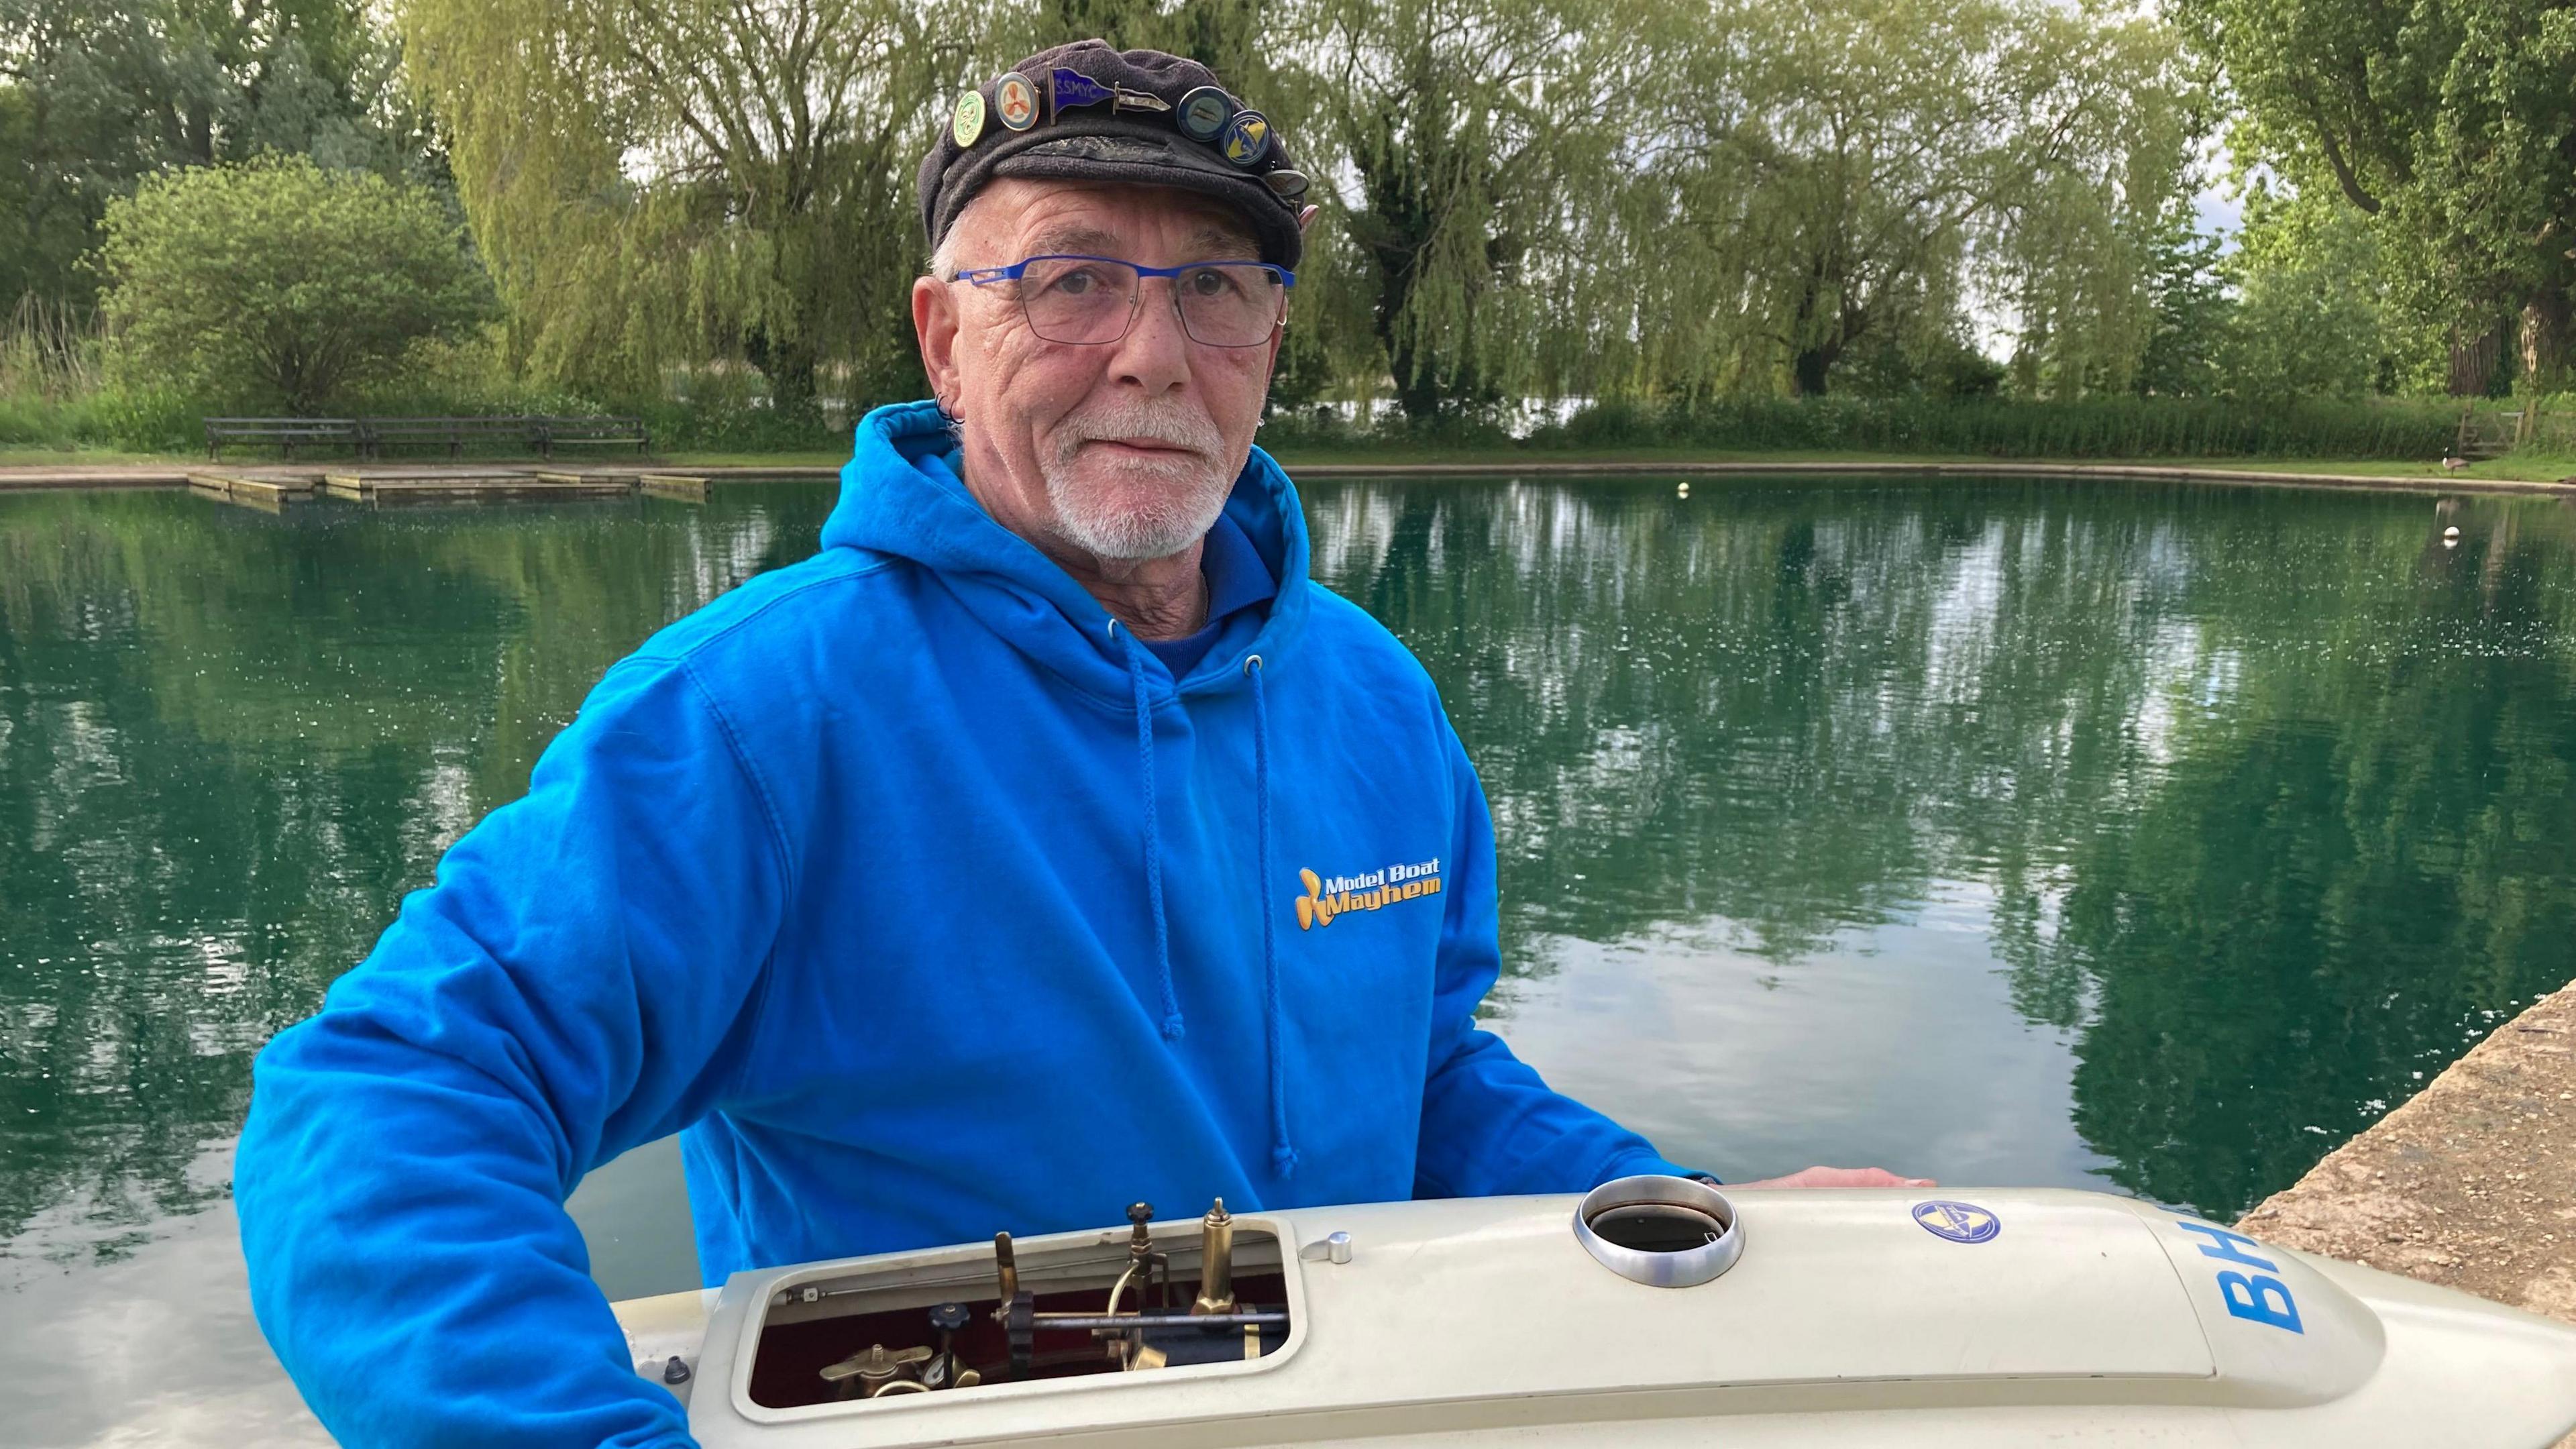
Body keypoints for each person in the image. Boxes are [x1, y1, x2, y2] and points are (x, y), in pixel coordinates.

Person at [234, 40, 1925, 1449]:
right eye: (1068, 281)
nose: (1151, 353)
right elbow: (387, 1103)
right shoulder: (760, 714)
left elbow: (1425, 1084)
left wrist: (1709, 1223)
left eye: (1217, 292)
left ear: (1271, 341)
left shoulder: (1371, 696)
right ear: (942, 338)